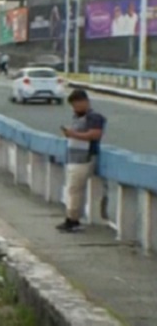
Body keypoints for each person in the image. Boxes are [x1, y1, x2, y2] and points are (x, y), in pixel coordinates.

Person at [58, 89, 106, 233]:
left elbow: (95, 134)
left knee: (75, 190)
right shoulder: (77, 117)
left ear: (85, 101)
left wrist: (73, 134)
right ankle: (70, 218)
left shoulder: (94, 117)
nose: (75, 108)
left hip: (84, 158)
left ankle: (73, 220)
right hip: (74, 158)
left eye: (76, 104)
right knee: (72, 190)